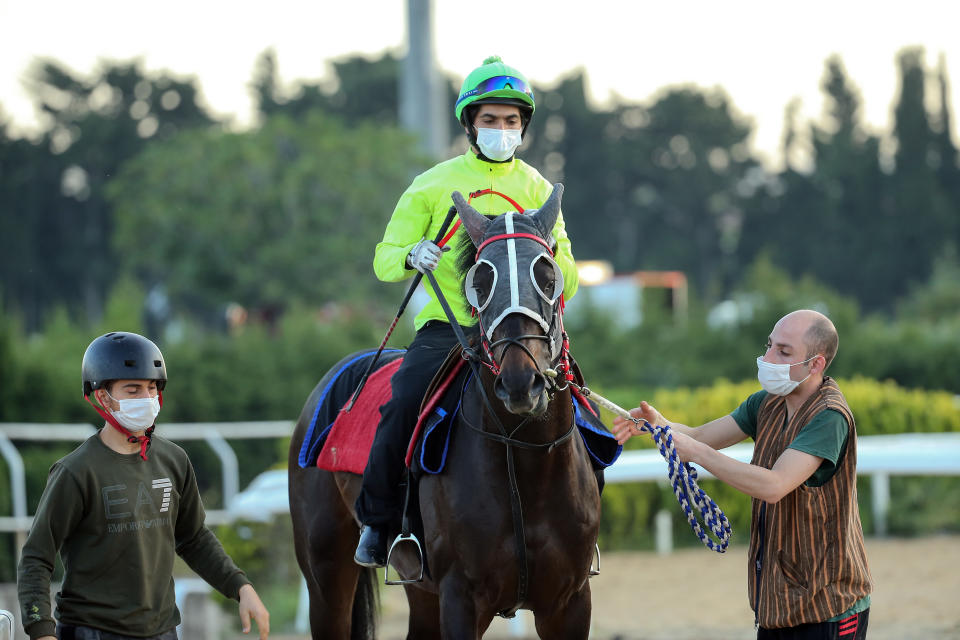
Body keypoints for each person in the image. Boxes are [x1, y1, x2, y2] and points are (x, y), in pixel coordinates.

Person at [353, 55, 580, 567]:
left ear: (523, 126)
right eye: (490, 120)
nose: (501, 130)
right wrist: (412, 255)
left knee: (580, 409)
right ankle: (380, 522)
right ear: (469, 125)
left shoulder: (540, 189)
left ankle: (581, 522)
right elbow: (383, 259)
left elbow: (570, 272)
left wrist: (553, 265)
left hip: (527, 330)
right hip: (450, 330)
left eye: (511, 121)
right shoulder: (432, 183)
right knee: (403, 403)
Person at [613, 310, 871, 639]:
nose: (768, 358)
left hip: (830, 607)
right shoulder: (767, 403)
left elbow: (774, 485)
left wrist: (697, 453)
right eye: (770, 346)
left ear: (816, 364)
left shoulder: (830, 417)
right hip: (778, 604)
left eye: (784, 351)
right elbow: (701, 435)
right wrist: (657, 425)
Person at [17, 331, 270, 640]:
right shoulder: (76, 472)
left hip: (163, 631)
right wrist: (41, 630)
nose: (147, 399)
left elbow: (194, 539)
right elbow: (36, 557)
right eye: (133, 390)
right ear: (102, 397)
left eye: (152, 388)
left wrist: (240, 586)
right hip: (91, 631)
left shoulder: (174, 460)